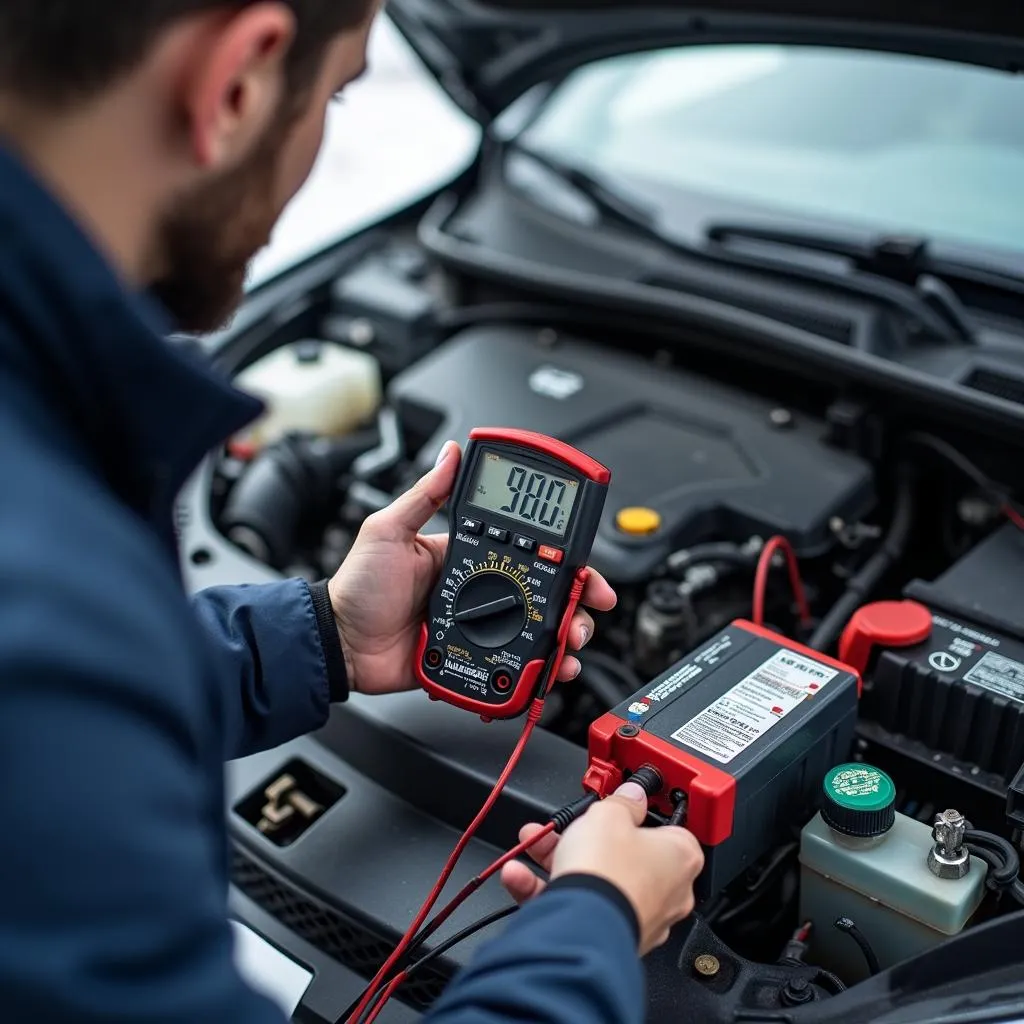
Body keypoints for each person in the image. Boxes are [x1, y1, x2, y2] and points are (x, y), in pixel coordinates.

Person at [0, 2, 705, 1022]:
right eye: (334, 94)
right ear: (239, 83)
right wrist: (593, 920)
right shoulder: (52, 584)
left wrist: (320, 635)